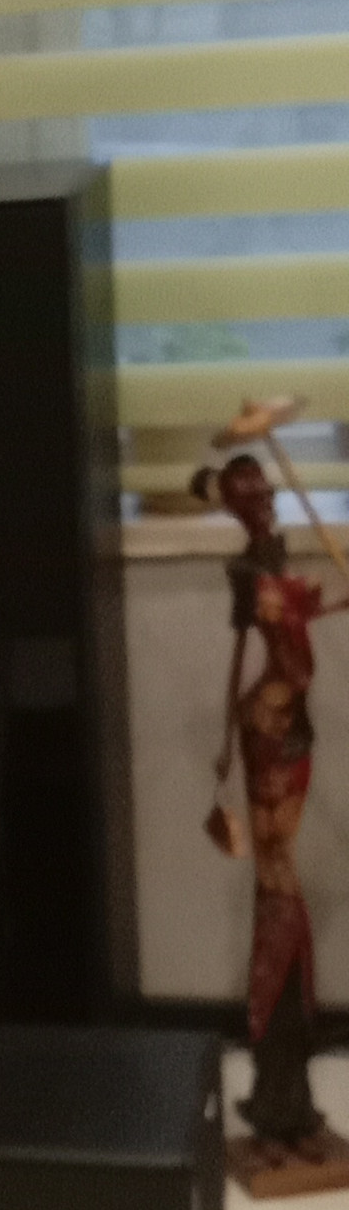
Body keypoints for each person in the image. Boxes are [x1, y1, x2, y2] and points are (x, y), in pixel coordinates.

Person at [193, 444, 349, 1155]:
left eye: (265, 490)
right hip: (272, 727)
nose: (268, 500)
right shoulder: (254, 572)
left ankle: (286, 1088)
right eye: (253, 494)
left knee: (284, 884)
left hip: (290, 726)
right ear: (237, 504)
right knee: (279, 882)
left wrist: (330, 599)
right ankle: (279, 1070)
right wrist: (230, 741)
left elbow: (273, 636)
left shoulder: (272, 562)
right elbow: (273, 623)